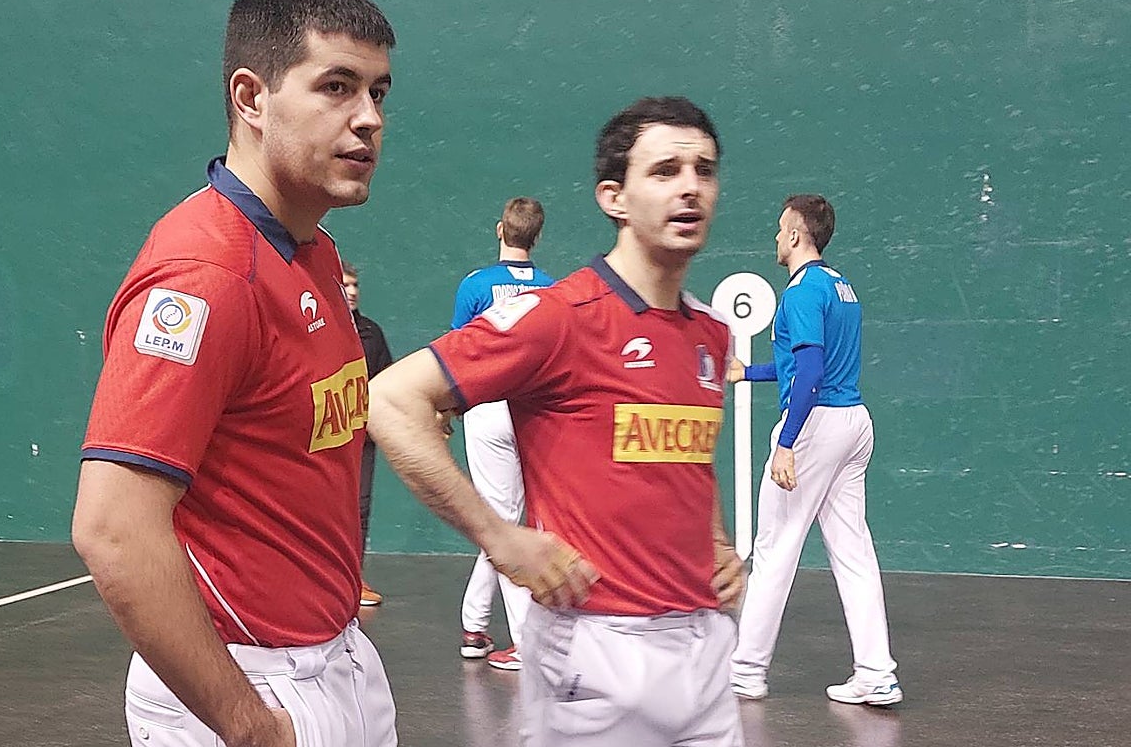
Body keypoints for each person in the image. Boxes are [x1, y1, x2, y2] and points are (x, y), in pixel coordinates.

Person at [72, 0, 399, 747]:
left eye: (379, 92)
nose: (369, 118)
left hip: (337, 660)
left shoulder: (314, 252)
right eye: (337, 87)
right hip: (251, 686)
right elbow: (113, 529)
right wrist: (249, 726)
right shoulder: (205, 277)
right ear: (251, 98)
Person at [368, 97, 747, 747]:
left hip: (706, 648)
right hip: (595, 652)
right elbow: (390, 400)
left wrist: (716, 541)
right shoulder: (560, 316)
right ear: (614, 198)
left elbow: (689, 454)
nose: (690, 187)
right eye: (664, 171)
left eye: (704, 170)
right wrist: (499, 538)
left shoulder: (710, 332)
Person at [727, 194, 901, 706]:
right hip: (854, 424)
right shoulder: (840, 286)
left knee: (774, 548)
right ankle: (877, 673)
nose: (775, 237)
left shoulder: (802, 292)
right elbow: (803, 365)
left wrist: (787, 443)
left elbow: (810, 372)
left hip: (815, 426)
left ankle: (745, 671)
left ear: (796, 235)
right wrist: (748, 372)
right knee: (853, 551)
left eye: (780, 229)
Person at [452, 197, 555, 671]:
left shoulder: (475, 285)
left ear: (501, 230)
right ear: (537, 237)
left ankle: (510, 637)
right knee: (508, 520)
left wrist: (447, 407)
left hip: (486, 409)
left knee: (502, 525)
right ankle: (477, 626)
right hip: (531, 414)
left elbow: (457, 351)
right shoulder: (551, 288)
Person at [342, 260, 394, 608]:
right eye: (345, 285)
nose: (352, 292)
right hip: (322, 435)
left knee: (358, 508)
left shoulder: (371, 333)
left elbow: (386, 380)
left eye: (355, 285)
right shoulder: (317, 327)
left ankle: (353, 580)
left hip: (362, 437)